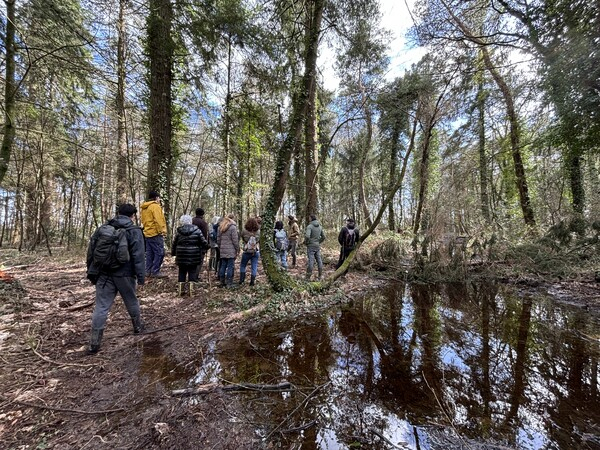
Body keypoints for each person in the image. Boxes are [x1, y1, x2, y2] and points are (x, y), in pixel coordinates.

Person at [86, 203, 146, 354]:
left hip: (104, 274)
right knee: (131, 300)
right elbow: (139, 256)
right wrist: (141, 277)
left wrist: (91, 271)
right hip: (125, 274)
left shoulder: (103, 228)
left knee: (101, 307)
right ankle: (138, 328)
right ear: (133, 215)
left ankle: (94, 343)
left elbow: (91, 251)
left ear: (118, 213)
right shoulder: (134, 231)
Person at [172, 214, 209, 296]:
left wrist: (174, 253)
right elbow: (203, 242)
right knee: (192, 271)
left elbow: (174, 243)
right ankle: (191, 291)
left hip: (181, 255)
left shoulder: (179, 231)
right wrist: (207, 246)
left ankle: (180, 291)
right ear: (190, 221)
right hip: (194, 255)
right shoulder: (197, 231)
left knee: (182, 271)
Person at [140, 191, 167, 278]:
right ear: (156, 198)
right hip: (155, 233)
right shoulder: (155, 206)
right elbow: (158, 220)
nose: (159, 199)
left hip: (147, 232)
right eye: (159, 198)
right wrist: (162, 231)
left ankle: (148, 271)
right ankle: (155, 271)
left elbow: (143, 220)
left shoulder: (145, 207)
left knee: (149, 253)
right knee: (160, 252)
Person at [217, 213, 239, 288]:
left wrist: (220, 247)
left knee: (223, 265)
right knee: (230, 266)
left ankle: (222, 282)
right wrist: (237, 249)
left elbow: (218, 240)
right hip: (231, 250)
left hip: (223, 250)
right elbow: (235, 240)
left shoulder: (220, 227)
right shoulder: (233, 227)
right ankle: (229, 283)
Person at [239, 217, 260, 286]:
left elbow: (241, 237)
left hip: (246, 251)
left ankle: (241, 280)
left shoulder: (244, 231)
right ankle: (252, 282)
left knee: (243, 265)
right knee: (254, 266)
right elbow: (259, 240)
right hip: (255, 251)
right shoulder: (258, 231)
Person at [304, 214, 326, 281]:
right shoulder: (320, 226)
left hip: (311, 246)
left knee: (311, 261)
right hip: (317, 246)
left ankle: (308, 277)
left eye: (309, 218)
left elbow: (307, 236)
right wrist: (318, 242)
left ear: (311, 218)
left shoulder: (310, 226)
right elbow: (323, 237)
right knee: (319, 260)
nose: (309, 219)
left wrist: (306, 242)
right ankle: (320, 276)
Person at [192, 207, 209, 280]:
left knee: (192, 261)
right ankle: (195, 277)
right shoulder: (203, 223)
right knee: (199, 261)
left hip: (191, 244)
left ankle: (191, 276)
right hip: (199, 245)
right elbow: (205, 235)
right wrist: (206, 245)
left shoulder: (191, 220)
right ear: (203, 214)